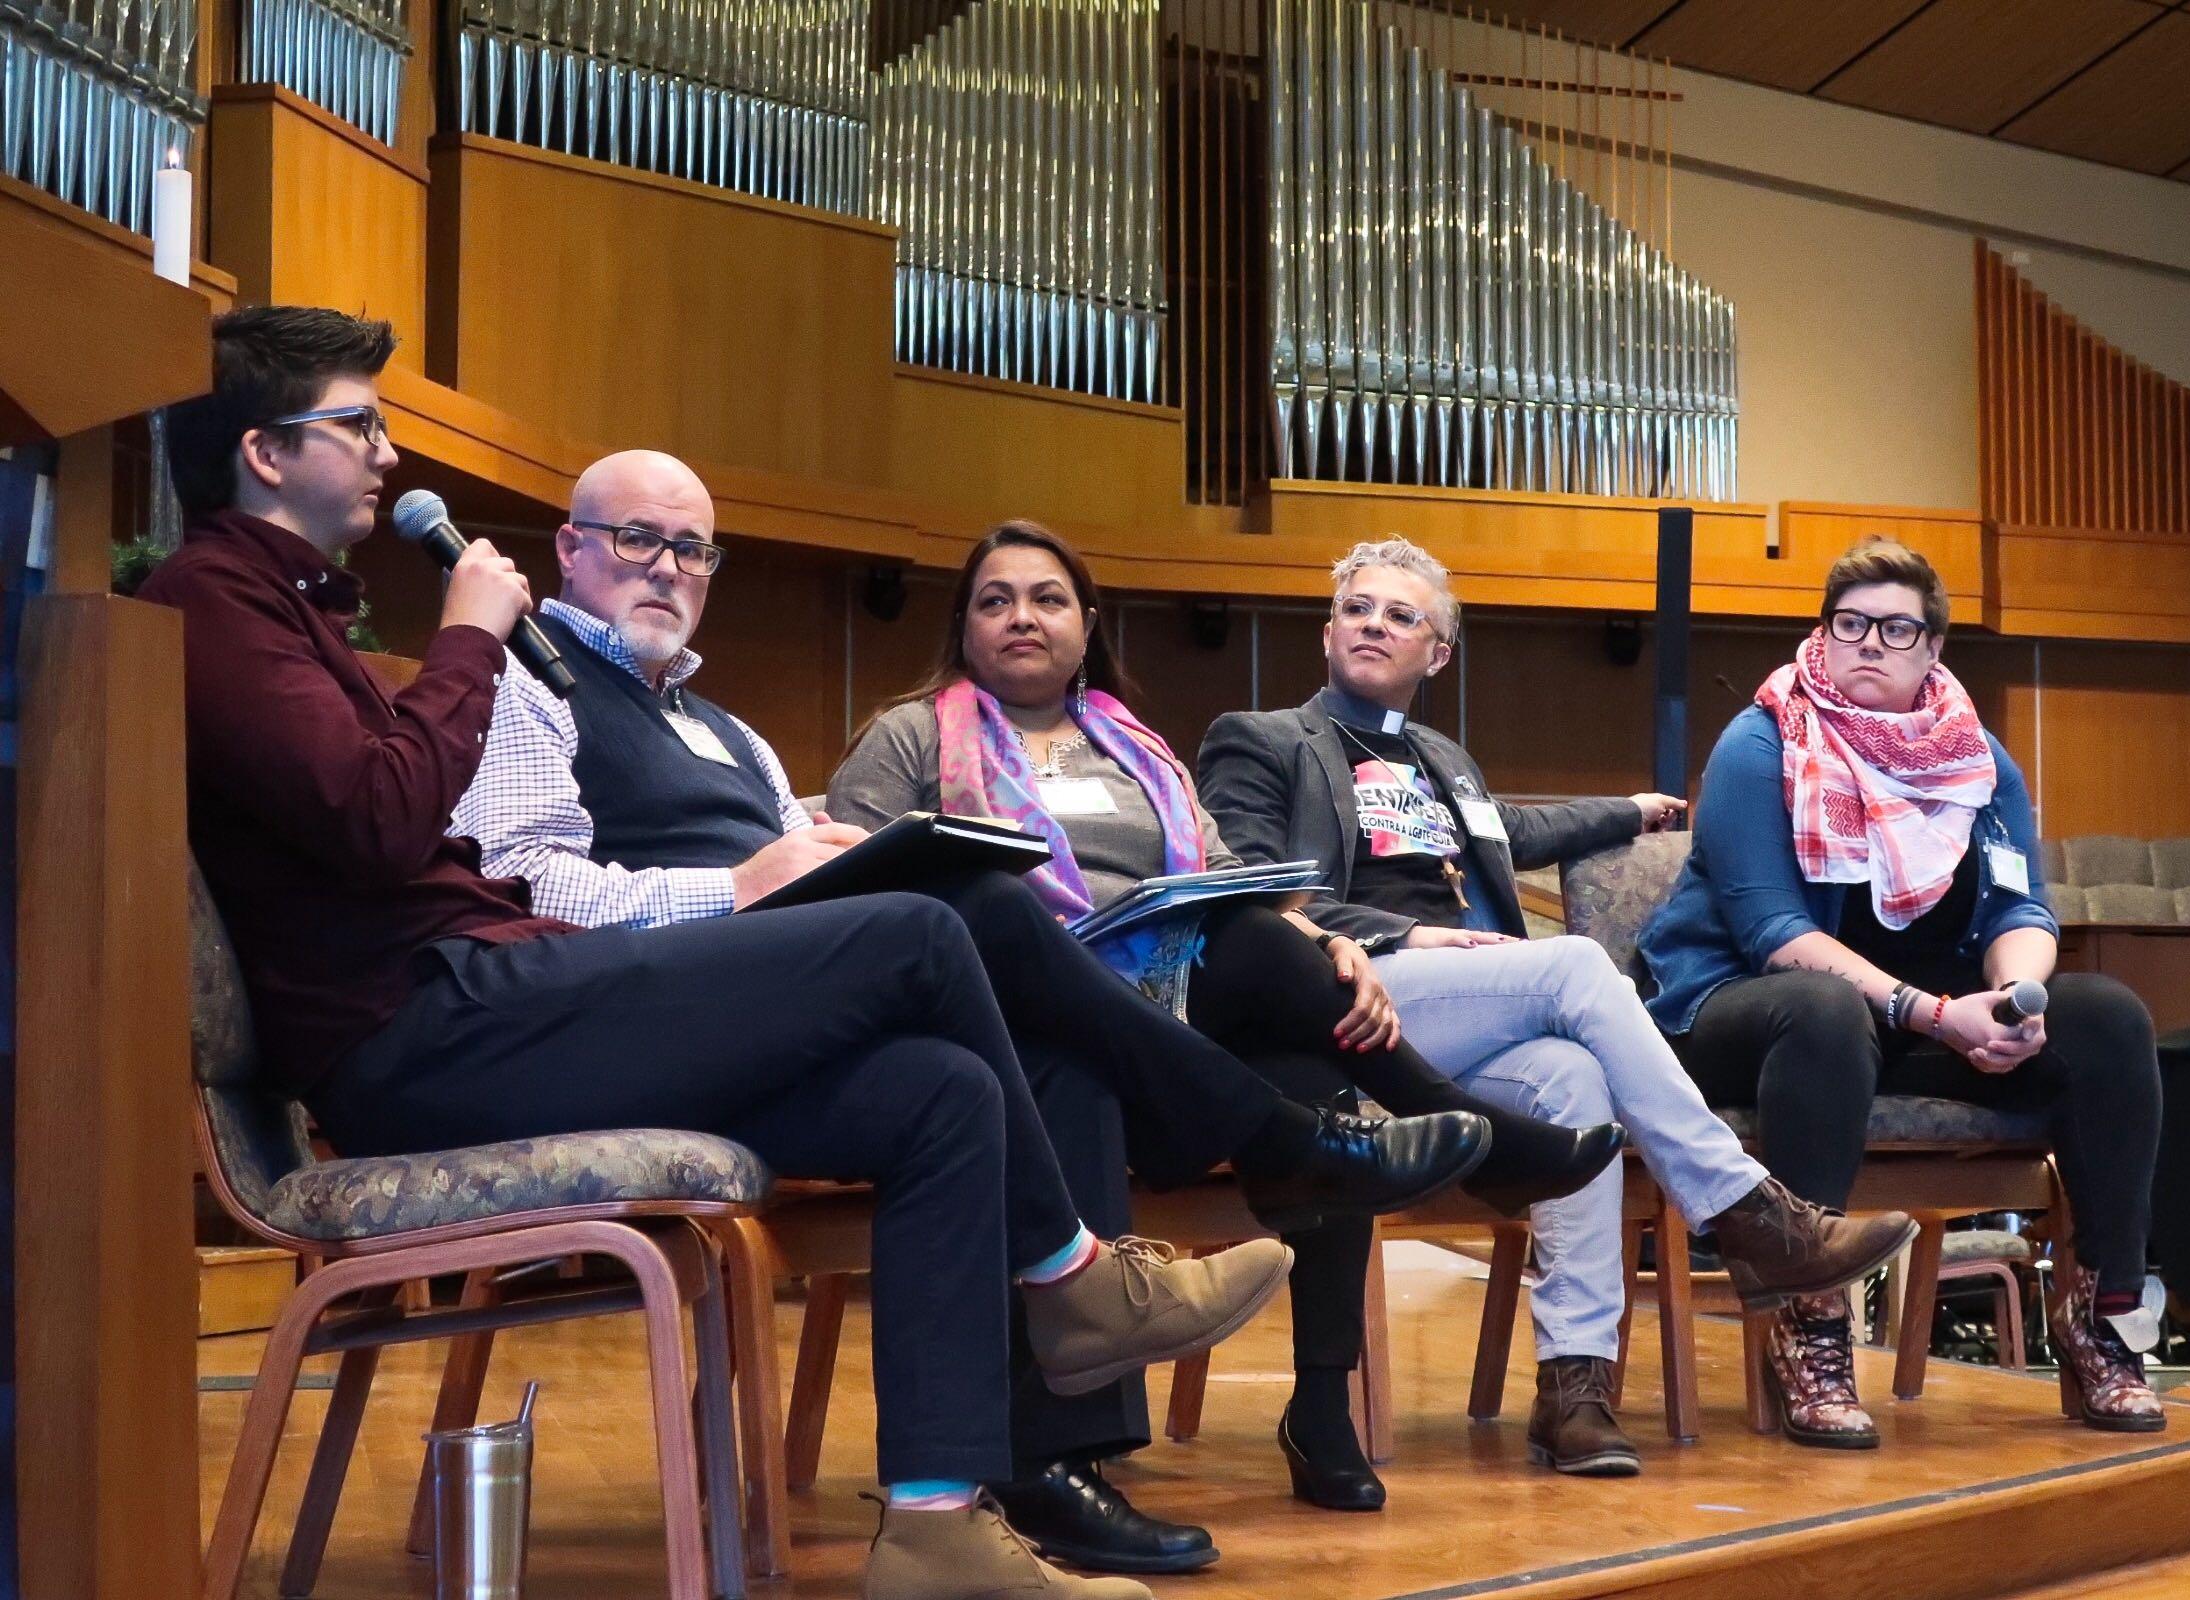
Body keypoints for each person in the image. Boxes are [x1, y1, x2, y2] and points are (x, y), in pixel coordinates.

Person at [143, 306, 1303, 1600]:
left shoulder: (298, 617)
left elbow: (386, 824)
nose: (385, 452)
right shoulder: (212, 603)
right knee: (929, 927)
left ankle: (934, 1527)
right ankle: (1084, 1271)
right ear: (263, 451)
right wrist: (469, 634)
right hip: (426, 1031)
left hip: (488, 991)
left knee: (944, 1091)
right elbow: (379, 819)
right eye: (357, 425)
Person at [450, 449, 1496, 1575]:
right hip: (645, 1012)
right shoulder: (522, 685)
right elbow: (518, 886)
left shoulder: (731, 732)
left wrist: (813, 867)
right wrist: (742, 887)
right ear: (568, 549)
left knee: (1007, 1072)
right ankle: (1266, 1153)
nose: (666, 568)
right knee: (976, 912)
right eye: (634, 540)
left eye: (691, 548)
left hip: (779, 1010)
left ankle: (973, 1501)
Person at [829, 520, 1626, 1512]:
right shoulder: (911, 736)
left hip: (1175, 1026)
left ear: (1087, 624)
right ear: (965, 625)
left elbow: (1230, 881)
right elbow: (855, 895)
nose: (1022, 617)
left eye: (1047, 597)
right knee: (1280, 1060)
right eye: (996, 600)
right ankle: (1478, 1146)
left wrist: (1332, 941)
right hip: (1019, 1021)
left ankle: (1323, 1407)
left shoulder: (1134, 746)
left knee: (1299, 1043)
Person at [1196, 536, 1919, 1476]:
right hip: (1347, 1001)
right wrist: (1411, 938)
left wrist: (1628, 809)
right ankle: (1748, 1216)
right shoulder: (1264, 740)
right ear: (1329, 629)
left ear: (1438, 654)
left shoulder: (1440, 759)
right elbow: (1256, 893)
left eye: (1402, 614)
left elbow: (1515, 830)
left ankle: (1574, 1390)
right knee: (1577, 967)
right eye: (1358, 608)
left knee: (1574, 1077)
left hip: (1455, 1019)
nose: (1375, 624)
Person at [1641, 538, 2166, 1444]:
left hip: (1909, 1029)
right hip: (1742, 1012)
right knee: (1826, 1010)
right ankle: (1813, 1328)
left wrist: (2013, 1002)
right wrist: (1935, 1015)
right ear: (1824, 632)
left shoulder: (1978, 760)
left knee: (2108, 1017)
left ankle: (2097, 1318)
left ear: (1933, 651)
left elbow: (2020, 906)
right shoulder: (1760, 742)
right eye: (1850, 625)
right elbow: (1777, 938)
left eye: (1896, 629)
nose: (1869, 645)